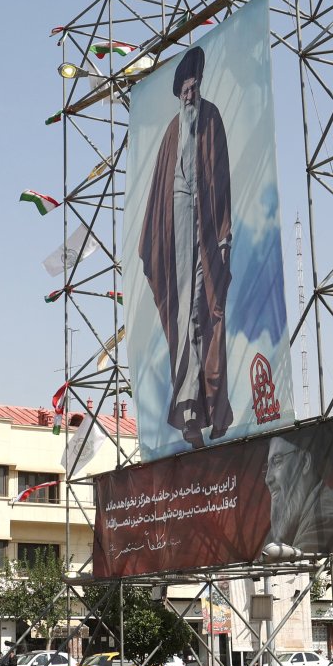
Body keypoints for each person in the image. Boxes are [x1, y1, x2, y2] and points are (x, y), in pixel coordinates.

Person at [139, 46, 233, 449]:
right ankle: (190, 408)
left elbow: (222, 178)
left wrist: (224, 234)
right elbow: (161, 190)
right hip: (177, 225)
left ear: (199, 87)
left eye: (194, 87)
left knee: (206, 312)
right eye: (185, 89)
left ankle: (210, 406)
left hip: (207, 228)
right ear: (178, 92)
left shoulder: (211, 118)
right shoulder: (171, 132)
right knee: (186, 316)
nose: (190, 94)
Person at [263, 433, 333, 554]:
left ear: (305, 461)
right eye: (267, 466)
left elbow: (300, 570)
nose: (268, 479)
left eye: (276, 462)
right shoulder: (286, 521)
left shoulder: (328, 520)